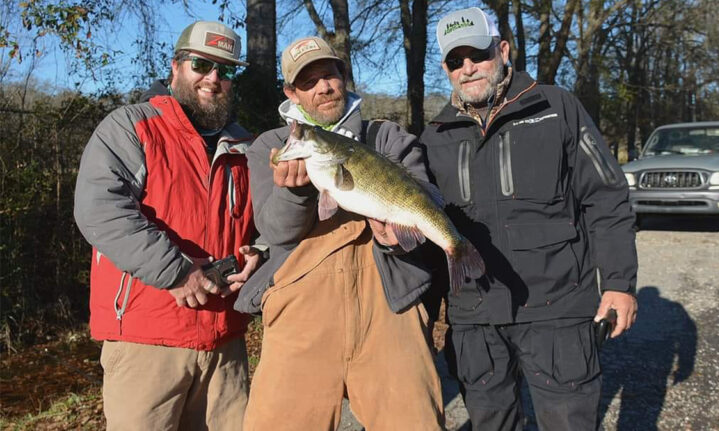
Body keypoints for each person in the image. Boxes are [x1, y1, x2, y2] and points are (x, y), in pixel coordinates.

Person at [420, 7, 639, 430]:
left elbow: (607, 199)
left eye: (478, 55)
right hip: (475, 318)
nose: (468, 69)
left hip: (558, 310)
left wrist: (617, 283)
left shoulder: (558, 108)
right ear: (446, 69)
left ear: (502, 50)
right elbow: (427, 228)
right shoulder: (434, 136)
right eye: (454, 61)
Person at [235, 36, 444, 430]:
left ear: (343, 78)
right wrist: (297, 194)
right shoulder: (272, 146)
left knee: (414, 421)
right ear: (291, 93)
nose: (323, 88)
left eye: (329, 75)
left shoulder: (388, 138)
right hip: (300, 315)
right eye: (308, 81)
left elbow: (417, 202)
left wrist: (394, 238)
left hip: (389, 307)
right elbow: (275, 230)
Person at [74, 21, 261, 430]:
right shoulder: (131, 127)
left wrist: (257, 255)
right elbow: (99, 209)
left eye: (226, 71)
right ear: (176, 66)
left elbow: (263, 226)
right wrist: (177, 272)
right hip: (147, 344)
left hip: (225, 347)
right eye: (201, 64)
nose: (213, 78)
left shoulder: (248, 147)